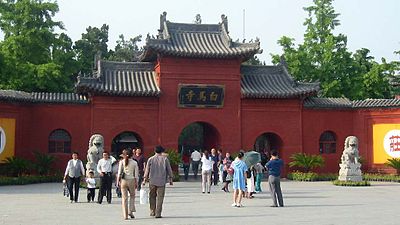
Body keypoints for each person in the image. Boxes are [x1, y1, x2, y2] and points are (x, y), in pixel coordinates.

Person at [143, 145, 173, 218]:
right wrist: (171, 179)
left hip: (152, 180)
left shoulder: (150, 159)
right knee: (160, 197)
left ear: (155, 151)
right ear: (162, 151)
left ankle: (152, 211)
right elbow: (169, 169)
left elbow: (147, 170)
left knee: (152, 196)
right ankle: (158, 213)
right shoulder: (165, 159)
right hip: (162, 181)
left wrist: (144, 179)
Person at [117, 149, 139, 220]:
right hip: (131, 180)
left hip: (123, 181)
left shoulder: (122, 162)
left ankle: (125, 215)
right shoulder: (134, 163)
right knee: (132, 196)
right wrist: (136, 183)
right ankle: (131, 210)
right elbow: (136, 175)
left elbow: (119, 173)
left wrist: (118, 181)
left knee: (124, 198)